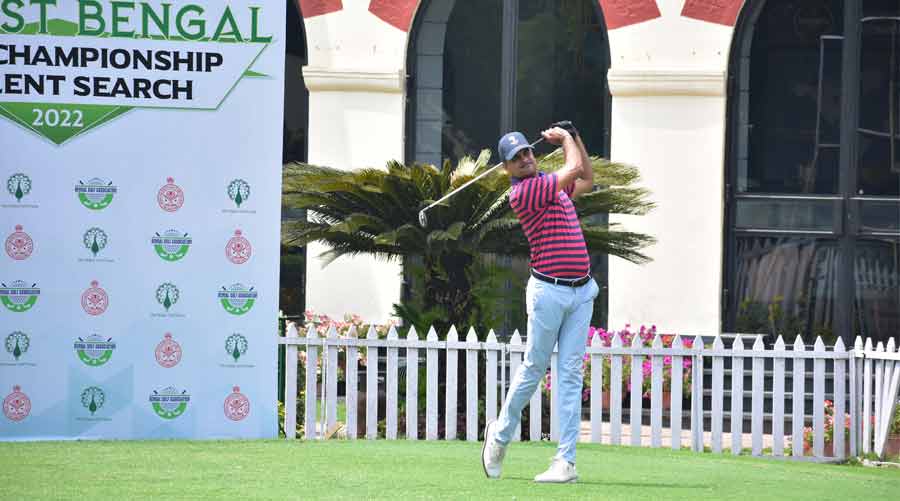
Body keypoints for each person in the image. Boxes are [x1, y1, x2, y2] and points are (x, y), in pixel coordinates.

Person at [481, 124, 599, 483]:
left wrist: (576, 137)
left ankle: (566, 462)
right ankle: (500, 435)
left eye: (526, 152)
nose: (524, 159)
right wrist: (566, 140)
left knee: (571, 374)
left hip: (581, 291)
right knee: (534, 367)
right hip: (548, 292)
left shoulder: (551, 184)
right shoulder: (524, 192)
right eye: (515, 158)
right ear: (507, 168)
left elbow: (586, 179)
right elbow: (574, 168)